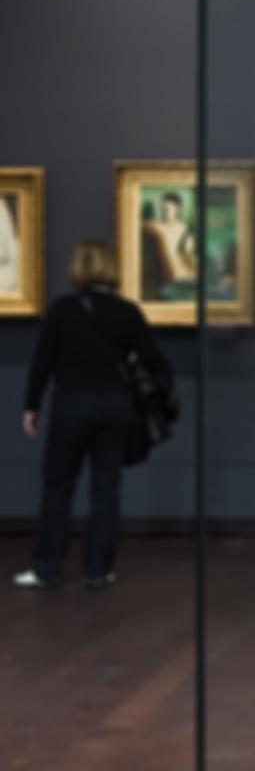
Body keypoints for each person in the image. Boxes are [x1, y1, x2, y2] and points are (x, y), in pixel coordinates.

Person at [14, 240, 171, 590]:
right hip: (116, 407)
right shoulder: (127, 311)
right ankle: (98, 569)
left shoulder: (63, 310)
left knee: (58, 486)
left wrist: (31, 405)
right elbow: (155, 362)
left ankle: (47, 568)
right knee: (106, 488)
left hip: (72, 405)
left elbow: (43, 362)